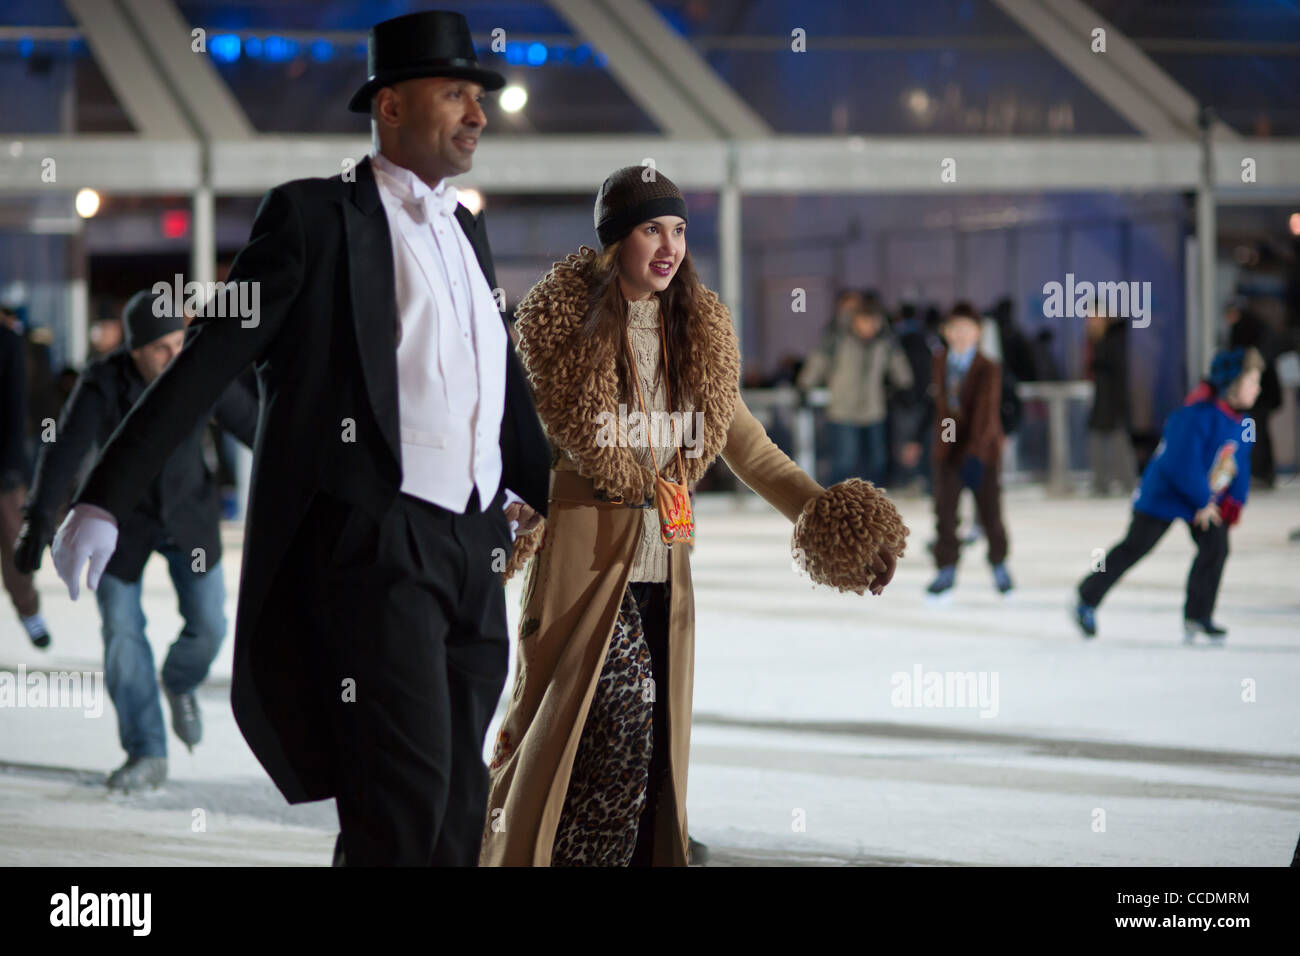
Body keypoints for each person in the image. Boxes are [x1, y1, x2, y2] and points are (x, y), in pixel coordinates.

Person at [49, 10, 550, 865]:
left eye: (479, 97)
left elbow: (493, 370)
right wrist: (102, 496)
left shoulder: (465, 227)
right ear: (390, 105)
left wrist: (533, 492)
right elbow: (205, 365)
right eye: (456, 93)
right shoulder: (313, 219)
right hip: (376, 546)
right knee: (403, 796)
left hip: (474, 544)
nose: (476, 113)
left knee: (465, 806)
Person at [479, 166, 909, 867]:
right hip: (584, 575)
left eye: (678, 229)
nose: (669, 244)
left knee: (637, 743)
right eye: (652, 228)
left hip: (664, 572)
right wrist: (505, 514)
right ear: (615, 240)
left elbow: (756, 454)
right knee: (614, 718)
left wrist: (836, 523)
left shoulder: (697, 341)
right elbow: (513, 447)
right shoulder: (560, 342)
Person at [15, 290, 258, 791]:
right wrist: (38, 520)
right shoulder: (102, 382)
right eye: (159, 349)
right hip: (118, 524)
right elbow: (64, 450)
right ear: (134, 351)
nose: (173, 357)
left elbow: (256, 426)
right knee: (123, 637)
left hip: (190, 517)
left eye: (178, 343)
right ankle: (146, 749)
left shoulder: (198, 369)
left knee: (210, 625)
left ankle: (181, 681)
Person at [1074, 347, 1263, 642]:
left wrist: (1234, 502)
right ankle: (1086, 597)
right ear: (1232, 384)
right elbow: (1180, 465)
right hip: (1164, 494)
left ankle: (1197, 616)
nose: (1257, 388)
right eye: (1251, 381)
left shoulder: (1246, 424)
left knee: (1216, 547)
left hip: (1203, 499)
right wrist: (1204, 501)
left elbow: (1241, 462)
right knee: (1135, 547)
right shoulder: (1194, 416)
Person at [925, 302, 1012, 599]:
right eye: (954, 329)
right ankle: (946, 567)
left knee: (990, 512)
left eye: (967, 329)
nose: (960, 335)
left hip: (981, 452)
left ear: (978, 333)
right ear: (946, 333)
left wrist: (974, 453)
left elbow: (986, 413)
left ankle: (999, 563)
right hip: (947, 452)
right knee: (945, 512)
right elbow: (941, 408)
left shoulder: (988, 368)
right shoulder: (940, 362)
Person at [797, 291, 913, 486]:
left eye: (873, 321)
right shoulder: (838, 340)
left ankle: (872, 505)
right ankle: (836, 504)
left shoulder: (884, 343)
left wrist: (905, 385)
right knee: (843, 462)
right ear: (856, 320)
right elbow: (818, 362)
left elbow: (898, 364)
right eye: (865, 321)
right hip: (843, 412)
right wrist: (804, 385)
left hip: (873, 411)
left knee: (876, 463)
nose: (869, 326)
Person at [0, 307, 48, 647]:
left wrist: (15, 467)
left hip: (3, 469)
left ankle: (29, 610)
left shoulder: (8, 343)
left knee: (14, 546)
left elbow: (17, 407)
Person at [1084, 309, 1136, 496]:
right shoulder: (1098, 340)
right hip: (1102, 403)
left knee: (1118, 445)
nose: (1090, 321)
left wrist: (1119, 407)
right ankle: (1102, 483)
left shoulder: (1112, 342)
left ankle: (1125, 483)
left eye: (1094, 316)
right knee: (1099, 445)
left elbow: (1117, 377)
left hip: (1112, 404)